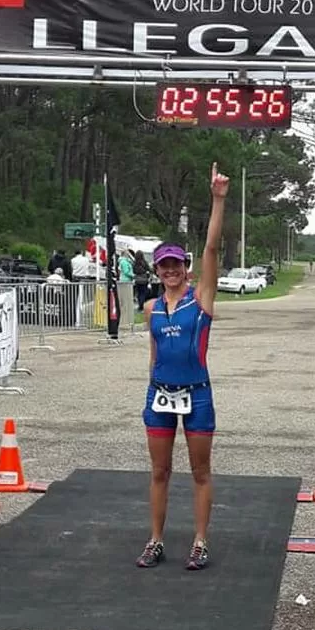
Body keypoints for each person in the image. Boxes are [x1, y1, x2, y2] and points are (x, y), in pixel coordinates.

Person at [136, 162, 229, 571]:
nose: (171, 270)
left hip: (197, 394)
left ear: (186, 268)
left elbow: (211, 248)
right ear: (156, 271)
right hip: (160, 394)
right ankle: (155, 540)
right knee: (159, 470)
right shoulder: (151, 308)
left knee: (200, 471)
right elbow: (154, 355)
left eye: (177, 264)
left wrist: (218, 199)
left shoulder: (201, 299)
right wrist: (150, 388)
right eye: (164, 265)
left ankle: (200, 541)